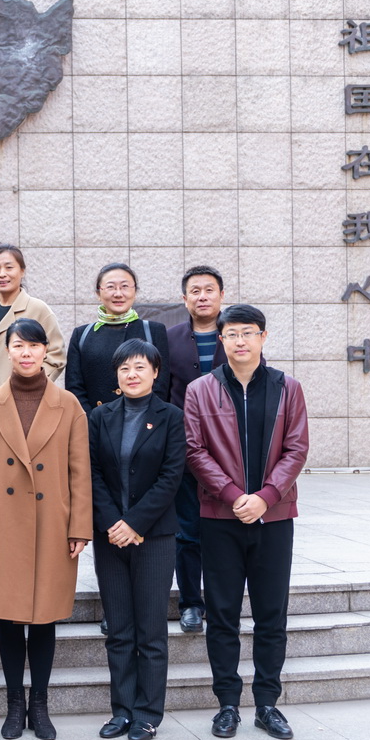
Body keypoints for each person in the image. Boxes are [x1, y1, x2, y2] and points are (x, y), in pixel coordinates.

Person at [183, 304, 309, 740]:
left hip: (275, 517)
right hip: (221, 516)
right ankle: (228, 705)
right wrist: (235, 496)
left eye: (248, 332)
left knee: (271, 614)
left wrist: (266, 497)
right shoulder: (201, 390)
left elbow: (296, 448)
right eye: (232, 333)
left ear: (263, 337)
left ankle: (268, 703)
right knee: (222, 615)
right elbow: (195, 450)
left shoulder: (288, 387)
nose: (240, 340)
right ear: (221, 340)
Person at [0, 318, 91, 740]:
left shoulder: (68, 404)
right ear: (7, 350)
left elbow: (80, 472)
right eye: (18, 345)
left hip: (53, 523)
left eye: (34, 346)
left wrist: (79, 527)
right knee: (9, 616)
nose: (26, 353)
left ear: (45, 351)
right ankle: (14, 704)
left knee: (44, 618)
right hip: (5, 524)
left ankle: (39, 703)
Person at [88, 339, 184, 740]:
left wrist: (135, 523)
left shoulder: (171, 417)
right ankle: (122, 710)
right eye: (125, 367)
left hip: (154, 537)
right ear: (116, 374)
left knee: (151, 630)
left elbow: (171, 476)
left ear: (156, 373)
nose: (132, 374)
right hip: (110, 536)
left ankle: (147, 714)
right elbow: (91, 473)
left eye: (140, 367)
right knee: (119, 629)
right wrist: (114, 522)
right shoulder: (100, 417)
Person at [166, 265, 228, 634]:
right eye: (195, 291)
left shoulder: (236, 333)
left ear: (221, 295)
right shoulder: (170, 338)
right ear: (184, 298)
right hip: (184, 450)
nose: (202, 296)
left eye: (209, 290)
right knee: (187, 530)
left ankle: (221, 603)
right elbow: (162, 393)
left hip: (228, 452)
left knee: (223, 532)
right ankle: (190, 603)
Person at [66, 262, 172, 414]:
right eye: (110, 287)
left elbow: (161, 383)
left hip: (144, 421)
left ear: (135, 291)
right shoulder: (82, 335)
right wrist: (92, 421)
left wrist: (145, 419)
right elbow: (74, 387)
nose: (118, 294)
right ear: (98, 293)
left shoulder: (153, 330)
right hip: (95, 422)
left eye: (125, 286)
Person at [0, 244, 66, 393]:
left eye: (9, 267)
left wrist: (30, 386)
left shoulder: (38, 309)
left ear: (22, 271)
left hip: (22, 398)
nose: (2, 274)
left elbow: (56, 356)